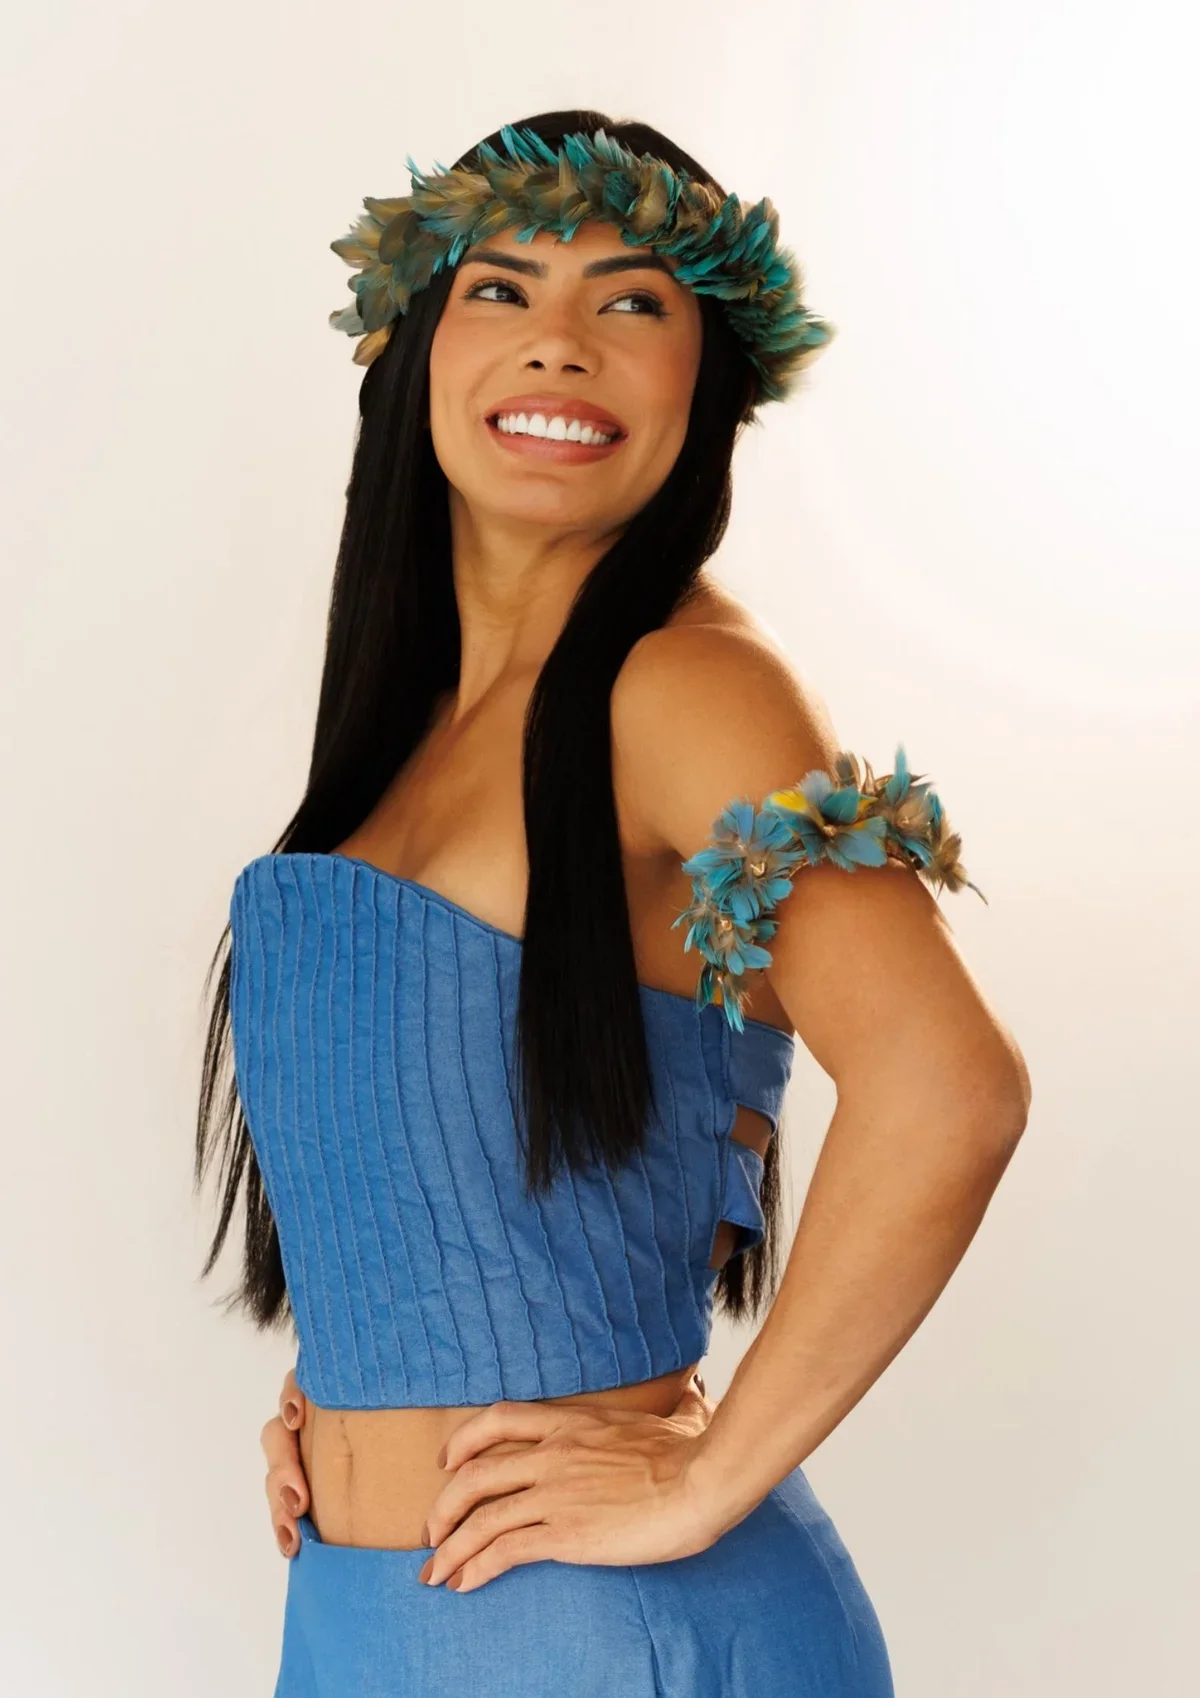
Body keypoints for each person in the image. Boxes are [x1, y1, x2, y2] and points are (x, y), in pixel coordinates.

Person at [196, 109, 1031, 1697]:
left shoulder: (685, 686)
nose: (560, 344)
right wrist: (352, 1396)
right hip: (367, 1619)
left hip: (603, 1629)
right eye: (501, 289)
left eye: (633, 300)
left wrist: (707, 1477)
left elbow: (952, 1085)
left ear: (708, 377)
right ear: (414, 348)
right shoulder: (399, 736)